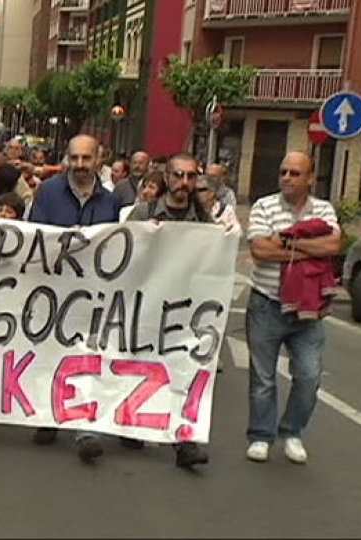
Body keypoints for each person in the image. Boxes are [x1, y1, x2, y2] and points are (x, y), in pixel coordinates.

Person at [28, 134, 122, 460]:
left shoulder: (112, 201)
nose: (80, 165)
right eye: (75, 158)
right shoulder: (49, 192)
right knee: (51, 355)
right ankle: (48, 415)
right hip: (53, 292)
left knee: (87, 358)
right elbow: (34, 236)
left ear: (99, 160)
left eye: (87, 158)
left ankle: (86, 428)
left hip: (94, 296)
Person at [245, 151, 340, 465]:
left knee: (310, 376)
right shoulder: (263, 206)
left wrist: (286, 243)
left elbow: (332, 246)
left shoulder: (324, 210)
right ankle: (261, 436)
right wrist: (307, 251)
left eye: (295, 173)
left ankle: (292, 432)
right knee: (263, 377)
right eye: (283, 171)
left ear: (310, 178)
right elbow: (260, 250)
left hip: (308, 310)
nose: (286, 177)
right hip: (267, 304)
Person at [126, 153, 216, 470]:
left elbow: (212, 264)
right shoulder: (143, 212)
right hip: (145, 305)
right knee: (139, 366)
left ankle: (184, 439)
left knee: (183, 371)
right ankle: (130, 424)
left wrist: (226, 239)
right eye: (178, 176)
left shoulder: (205, 222)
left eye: (191, 177)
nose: (184, 183)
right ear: (167, 176)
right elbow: (121, 257)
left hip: (184, 311)